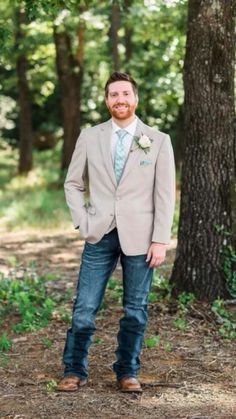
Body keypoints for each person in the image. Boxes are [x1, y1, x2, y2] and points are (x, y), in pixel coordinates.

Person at [57, 71, 175, 393]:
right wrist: (83, 220)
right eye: (113, 95)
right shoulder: (89, 137)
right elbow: (72, 183)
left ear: (135, 98)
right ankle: (74, 369)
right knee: (84, 308)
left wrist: (160, 239)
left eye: (125, 94)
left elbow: (164, 194)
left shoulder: (159, 140)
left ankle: (127, 371)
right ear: (107, 100)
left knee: (135, 311)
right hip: (100, 232)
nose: (119, 100)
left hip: (142, 237)